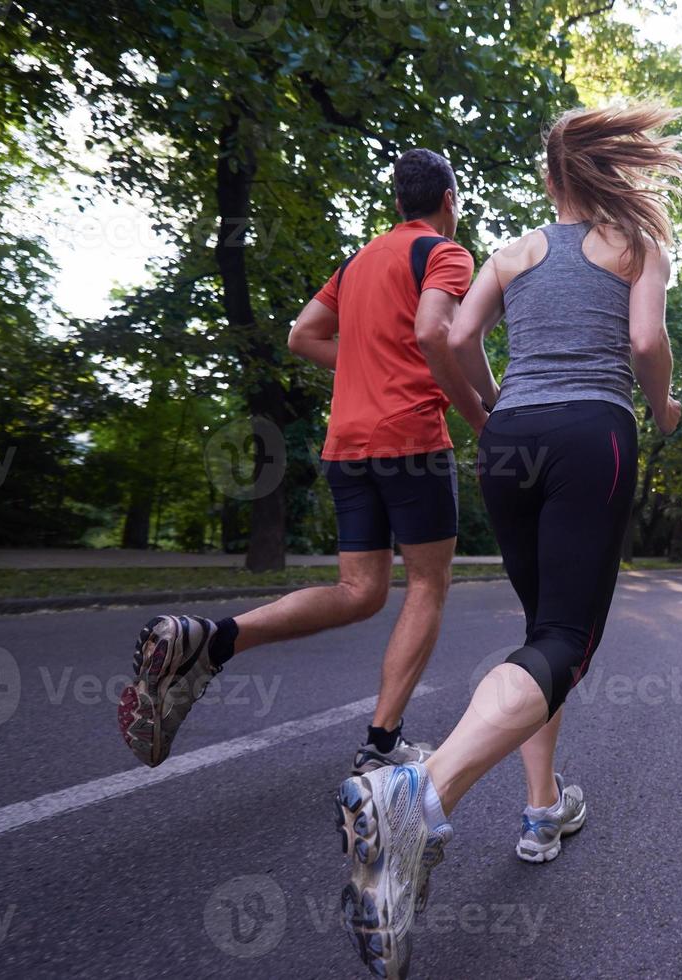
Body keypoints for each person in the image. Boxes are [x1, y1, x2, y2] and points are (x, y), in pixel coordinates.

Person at [335, 103, 682, 980]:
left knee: (542, 635)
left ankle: (540, 809)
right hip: (589, 436)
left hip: (509, 443)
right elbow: (645, 338)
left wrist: (489, 407)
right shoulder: (638, 246)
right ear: (610, 172)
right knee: (568, 641)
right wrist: (665, 404)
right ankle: (422, 792)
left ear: (547, 179)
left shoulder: (509, 253)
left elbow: (451, 338)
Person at [117, 148, 488, 776]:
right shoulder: (445, 253)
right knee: (427, 583)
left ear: (397, 203)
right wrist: (480, 416)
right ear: (449, 201)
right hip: (411, 441)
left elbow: (302, 336)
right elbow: (433, 333)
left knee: (361, 591)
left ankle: (213, 638)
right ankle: (382, 743)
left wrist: (368, 363)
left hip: (346, 445)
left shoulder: (358, 262)